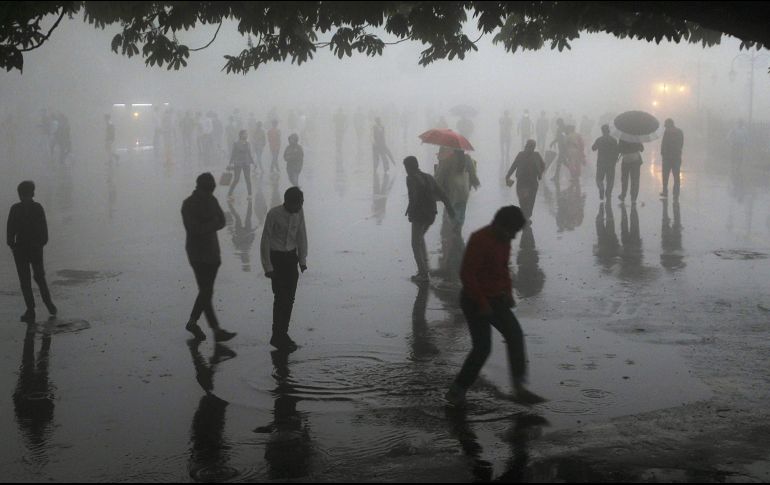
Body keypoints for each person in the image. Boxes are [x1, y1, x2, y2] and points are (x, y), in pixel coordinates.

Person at [445, 206, 547, 407]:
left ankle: (519, 388)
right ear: (500, 225)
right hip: (474, 300)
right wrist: (482, 303)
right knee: (482, 348)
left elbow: (503, 269)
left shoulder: (504, 240)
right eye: (512, 231)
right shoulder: (479, 239)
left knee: (515, 335)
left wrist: (508, 293)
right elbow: (467, 275)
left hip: (496, 299)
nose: (514, 236)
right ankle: (457, 391)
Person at [181, 173, 237, 342]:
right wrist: (211, 223)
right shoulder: (189, 204)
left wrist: (208, 223)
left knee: (206, 291)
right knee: (206, 291)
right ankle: (215, 329)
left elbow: (221, 221)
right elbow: (194, 228)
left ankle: (193, 323)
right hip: (199, 255)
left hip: (210, 253)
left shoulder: (209, 200)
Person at [260, 187, 308, 352]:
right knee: (281, 298)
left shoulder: (299, 213)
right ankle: (277, 334)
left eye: (302, 202)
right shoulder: (274, 214)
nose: (301, 206)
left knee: (290, 299)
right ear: (288, 202)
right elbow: (265, 240)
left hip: (291, 260)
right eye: (299, 203)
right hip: (277, 260)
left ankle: (283, 333)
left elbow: (301, 235)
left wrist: (302, 260)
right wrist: (268, 266)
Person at [7, 181, 57, 323]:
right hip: (35, 248)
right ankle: (48, 304)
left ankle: (31, 310)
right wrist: (41, 243)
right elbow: (44, 231)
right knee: (39, 277)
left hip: (21, 249)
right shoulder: (37, 208)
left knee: (25, 281)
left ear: (20, 194)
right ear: (32, 193)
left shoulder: (15, 209)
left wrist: (12, 245)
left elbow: (10, 230)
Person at [403, 156, 455, 283]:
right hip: (431, 214)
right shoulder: (429, 177)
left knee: (415, 243)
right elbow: (442, 194)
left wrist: (410, 211)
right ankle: (424, 266)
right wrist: (450, 209)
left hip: (419, 215)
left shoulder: (411, 178)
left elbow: (414, 197)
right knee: (420, 238)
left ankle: (423, 273)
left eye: (406, 167)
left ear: (409, 167)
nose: (405, 170)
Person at [505, 140, 545, 219]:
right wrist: (508, 176)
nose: (531, 149)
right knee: (525, 200)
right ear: (528, 146)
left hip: (528, 181)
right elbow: (514, 166)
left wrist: (540, 174)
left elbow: (542, 165)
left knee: (528, 200)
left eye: (533, 147)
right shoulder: (525, 155)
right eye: (531, 147)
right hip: (525, 181)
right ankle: (526, 214)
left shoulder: (533, 155)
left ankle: (527, 214)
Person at [592, 124, 619, 200]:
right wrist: (616, 158)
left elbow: (593, 148)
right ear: (609, 131)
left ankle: (601, 188)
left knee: (599, 179)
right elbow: (617, 151)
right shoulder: (613, 140)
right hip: (611, 163)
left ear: (602, 131)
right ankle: (608, 193)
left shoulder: (599, 140)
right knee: (610, 180)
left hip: (601, 162)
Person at [660, 118, 684, 199]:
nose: (666, 128)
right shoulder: (679, 132)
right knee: (676, 176)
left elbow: (663, 144)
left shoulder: (667, 133)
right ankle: (676, 193)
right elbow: (681, 144)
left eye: (666, 126)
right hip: (676, 157)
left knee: (666, 176)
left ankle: (665, 191)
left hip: (668, 158)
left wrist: (663, 154)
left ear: (669, 125)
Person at [228, 130, 255, 198]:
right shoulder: (236, 143)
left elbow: (249, 154)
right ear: (241, 135)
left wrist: (253, 163)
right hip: (238, 163)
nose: (246, 135)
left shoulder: (248, 143)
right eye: (245, 134)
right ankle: (230, 193)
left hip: (246, 163)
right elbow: (233, 154)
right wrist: (230, 163)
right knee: (236, 179)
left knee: (248, 179)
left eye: (246, 134)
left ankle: (250, 194)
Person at [617, 139, 644, 203]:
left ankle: (623, 195)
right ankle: (633, 198)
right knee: (635, 179)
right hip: (636, 160)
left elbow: (618, 149)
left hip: (626, 160)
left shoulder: (623, 138)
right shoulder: (636, 137)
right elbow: (642, 149)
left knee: (624, 179)